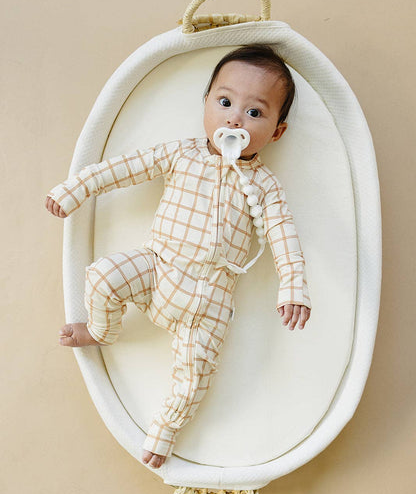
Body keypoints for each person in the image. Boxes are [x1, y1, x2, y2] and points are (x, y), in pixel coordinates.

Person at [45, 44, 312, 469]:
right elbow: (124, 167)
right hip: (157, 267)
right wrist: (75, 189)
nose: (234, 119)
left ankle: (165, 429)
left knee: (195, 378)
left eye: (255, 113)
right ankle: (101, 330)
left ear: (277, 132)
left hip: (209, 301)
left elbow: (283, 235)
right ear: (205, 103)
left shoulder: (264, 185)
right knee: (101, 275)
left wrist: (293, 287)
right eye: (224, 102)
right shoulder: (181, 154)